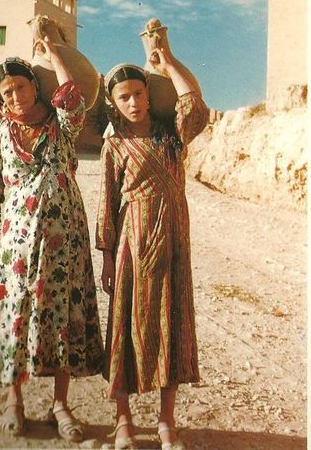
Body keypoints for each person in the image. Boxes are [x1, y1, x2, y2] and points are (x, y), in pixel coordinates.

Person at [0, 41, 104, 442]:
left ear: (35, 85)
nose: (16, 95)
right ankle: (14, 400)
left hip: (65, 239)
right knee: (16, 314)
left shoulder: (61, 124)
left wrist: (54, 55)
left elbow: (72, 97)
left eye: (21, 85)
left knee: (61, 314)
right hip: (16, 243)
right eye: (7, 91)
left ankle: (60, 404)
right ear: (0, 99)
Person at [96, 31, 208, 450]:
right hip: (132, 244)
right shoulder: (115, 146)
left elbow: (193, 105)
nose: (134, 103)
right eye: (124, 97)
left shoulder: (171, 134)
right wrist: (107, 259)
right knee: (126, 325)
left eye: (139, 93)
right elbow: (108, 205)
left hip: (175, 243)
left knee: (171, 325)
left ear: (148, 93)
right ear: (115, 103)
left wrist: (169, 60)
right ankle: (123, 420)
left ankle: (166, 423)